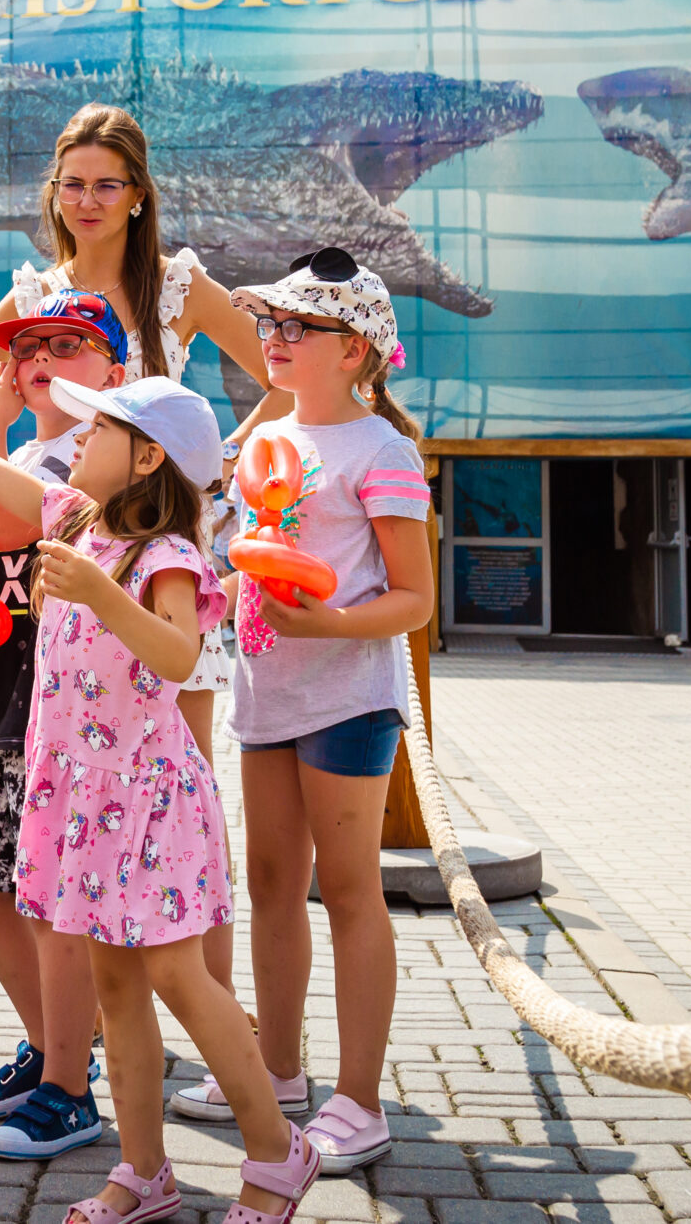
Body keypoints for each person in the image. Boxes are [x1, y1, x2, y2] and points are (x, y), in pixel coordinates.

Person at [0, 362, 317, 1224]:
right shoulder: (72, 515)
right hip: (79, 796)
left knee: (178, 974)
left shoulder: (165, 555)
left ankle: (277, 1150)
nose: (80, 438)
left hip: (147, 800)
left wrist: (102, 593)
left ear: (148, 459)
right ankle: (145, 1171)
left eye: (100, 427)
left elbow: (178, 656)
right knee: (116, 983)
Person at [0, 103, 281, 991]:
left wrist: (218, 464)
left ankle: (214, 1009)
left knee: (187, 790)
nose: (87, 200)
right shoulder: (33, 295)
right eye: (73, 184)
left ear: (137, 195)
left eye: (107, 184)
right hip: (68, 568)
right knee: (85, 792)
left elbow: (280, 377)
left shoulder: (177, 287)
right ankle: (108, 1019)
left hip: (162, 568)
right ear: (54, 193)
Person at [190, 249, 430, 1175]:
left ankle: (359, 1100)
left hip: (348, 700)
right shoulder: (262, 442)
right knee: (270, 885)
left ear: (356, 348)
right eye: (271, 323)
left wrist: (330, 622)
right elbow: (244, 561)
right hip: (265, 695)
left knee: (350, 888)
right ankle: (278, 1073)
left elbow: (414, 600)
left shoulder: (382, 451)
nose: (275, 339)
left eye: (299, 326)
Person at [0, 290, 125, 1159]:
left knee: (50, 894)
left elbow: (3, 519)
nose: (42, 360)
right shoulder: (25, 450)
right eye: (29, 348)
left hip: (61, 693)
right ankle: (56, 1047)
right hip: (4, 677)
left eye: (68, 344)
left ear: (114, 374)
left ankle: (69, 1086)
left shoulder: (100, 455)